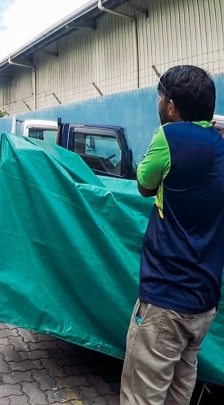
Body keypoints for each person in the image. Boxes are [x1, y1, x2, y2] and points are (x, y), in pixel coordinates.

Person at [120, 65, 223, 405]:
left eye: (161, 97)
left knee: (142, 394)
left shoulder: (169, 137)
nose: (159, 102)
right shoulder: (220, 142)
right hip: (204, 302)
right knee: (180, 387)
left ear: (171, 106)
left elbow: (145, 185)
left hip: (167, 297)